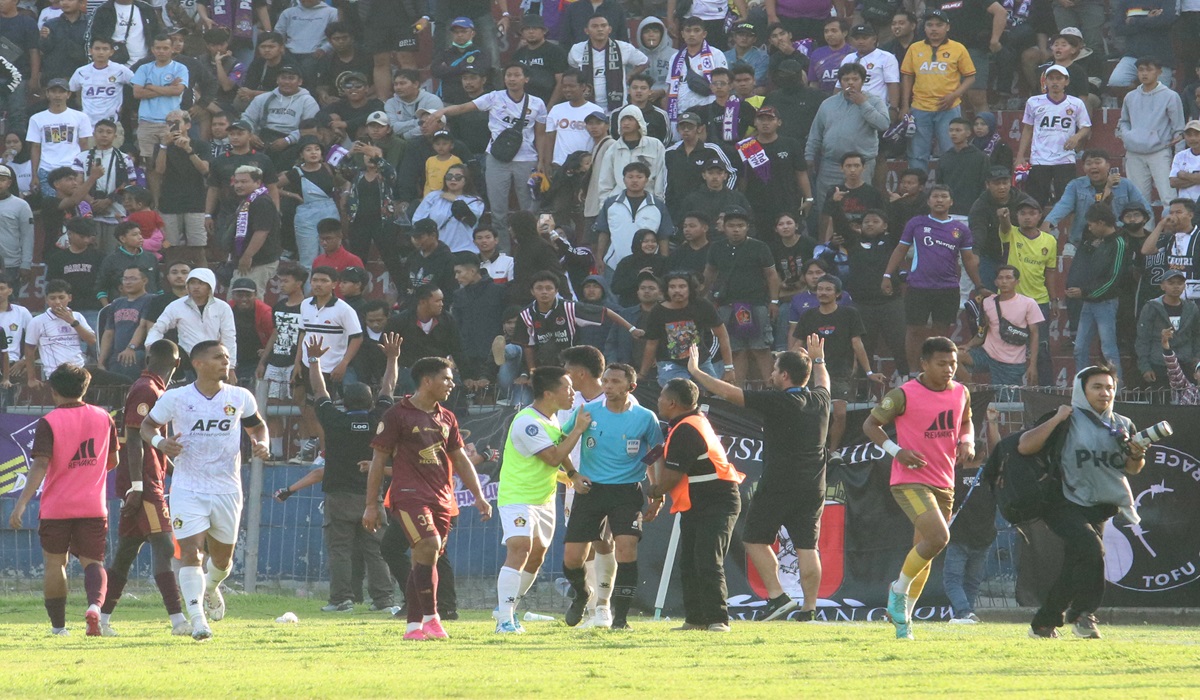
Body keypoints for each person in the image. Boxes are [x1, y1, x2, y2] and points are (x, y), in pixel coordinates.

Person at [688, 335, 829, 621]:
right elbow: (824, 381)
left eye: (775, 370)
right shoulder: (820, 400)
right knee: (807, 546)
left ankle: (777, 597)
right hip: (814, 485)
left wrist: (696, 372)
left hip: (779, 483)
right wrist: (819, 359)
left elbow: (729, 393)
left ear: (785, 375)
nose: (771, 374)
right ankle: (809, 608)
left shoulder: (776, 401)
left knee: (754, 539)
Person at [139, 340, 269, 641]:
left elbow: (257, 426)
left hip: (227, 489)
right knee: (190, 553)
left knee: (221, 561)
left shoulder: (240, 396)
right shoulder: (177, 397)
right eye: (218, 357)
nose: (226, 362)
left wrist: (262, 443)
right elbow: (147, 426)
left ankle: (211, 587)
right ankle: (197, 620)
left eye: (226, 357)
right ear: (198, 363)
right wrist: (161, 444)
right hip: (188, 487)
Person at [364, 356, 492, 640]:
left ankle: (413, 628)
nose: (452, 384)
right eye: (446, 379)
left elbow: (460, 460)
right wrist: (370, 505)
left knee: (426, 558)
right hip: (408, 495)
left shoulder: (447, 417)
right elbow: (377, 461)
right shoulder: (397, 415)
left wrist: (479, 496)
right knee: (429, 544)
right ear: (427, 381)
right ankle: (432, 618)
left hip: (442, 498)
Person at [1020, 365, 1145, 639]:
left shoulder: (1123, 424)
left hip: (1099, 505)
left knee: (1077, 561)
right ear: (1081, 390)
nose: (1105, 393)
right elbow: (1024, 446)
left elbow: (1132, 469)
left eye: (1110, 387)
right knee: (1091, 548)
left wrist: (1136, 454)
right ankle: (1083, 614)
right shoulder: (1066, 417)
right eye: (1097, 387)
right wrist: (1056, 419)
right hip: (1061, 500)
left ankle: (1043, 624)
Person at [864, 336, 974, 640]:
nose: (949, 369)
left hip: (945, 480)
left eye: (953, 363)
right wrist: (896, 451)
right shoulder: (903, 394)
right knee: (939, 537)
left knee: (926, 550)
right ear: (924, 364)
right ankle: (897, 592)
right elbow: (869, 425)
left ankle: (903, 622)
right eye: (942, 363)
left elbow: (965, 422)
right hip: (910, 478)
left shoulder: (962, 392)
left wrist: (968, 441)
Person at [8, 364, 118, 636]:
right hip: (93, 506)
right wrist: (88, 475)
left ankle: (59, 628)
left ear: (53, 391)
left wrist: (21, 504)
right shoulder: (104, 417)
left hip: (57, 507)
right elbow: (112, 461)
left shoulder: (50, 421)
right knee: (94, 562)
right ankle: (94, 607)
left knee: (56, 564)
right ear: (86, 388)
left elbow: (40, 464)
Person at [560, 363, 664, 629]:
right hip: (590, 489)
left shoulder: (645, 417)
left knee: (626, 549)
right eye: (605, 381)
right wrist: (573, 475)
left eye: (615, 382)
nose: (608, 387)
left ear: (631, 386)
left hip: (627, 491)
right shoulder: (586, 412)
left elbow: (655, 453)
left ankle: (620, 618)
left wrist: (657, 491)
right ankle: (583, 594)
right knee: (572, 558)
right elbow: (561, 445)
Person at [302, 333, 400, 613]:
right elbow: (388, 387)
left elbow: (320, 391)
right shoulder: (378, 419)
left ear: (343, 400)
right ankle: (384, 601)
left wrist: (314, 360)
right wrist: (392, 358)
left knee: (340, 550)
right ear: (371, 402)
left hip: (339, 494)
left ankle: (341, 600)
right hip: (372, 494)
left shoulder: (334, 420)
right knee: (376, 549)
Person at [97, 339, 188, 636]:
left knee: (126, 550)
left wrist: (177, 469)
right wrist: (137, 485)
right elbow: (134, 438)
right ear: (177, 363)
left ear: (148, 357)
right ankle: (178, 621)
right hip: (144, 483)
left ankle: (101, 617)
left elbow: (151, 444)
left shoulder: (155, 389)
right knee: (163, 544)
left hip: (149, 477)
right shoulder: (146, 389)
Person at [494, 366, 592, 633]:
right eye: (567, 388)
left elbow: (557, 453)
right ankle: (503, 619)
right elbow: (552, 457)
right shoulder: (528, 422)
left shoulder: (552, 419)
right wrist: (579, 430)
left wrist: (572, 475)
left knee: (536, 557)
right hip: (517, 497)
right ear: (549, 393)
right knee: (519, 548)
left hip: (544, 499)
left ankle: (508, 608)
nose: (573, 393)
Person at [648, 377, 743, 632]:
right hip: (698, 501)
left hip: (717, 500)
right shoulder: (685, 424)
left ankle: (717, 620)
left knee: (707, 559)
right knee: (689, 562)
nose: (658, 400)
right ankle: (696, 619)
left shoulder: (686, 429)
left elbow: (670, 479)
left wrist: (651, 492)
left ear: (672, 402)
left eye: (661, 397)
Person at [430, 64, 549, 246]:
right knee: (498, 212)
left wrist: (542, 160)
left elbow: (541, 134)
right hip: (496, 159)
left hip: (526, 160)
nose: (512, 79)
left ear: (526, 79)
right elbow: (464, 108)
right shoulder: (494, 97)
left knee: (529, 211)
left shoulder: (537, 103)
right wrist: (443, 111)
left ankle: (530, 248)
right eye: (508, 75)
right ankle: (502, 254)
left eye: (517, 75)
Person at [882, 185, 983, 376]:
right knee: (914, 330)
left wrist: (979, 285)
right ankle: (912, 373)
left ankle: (936, 373)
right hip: (918, 286)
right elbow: (901, 249)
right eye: (935, 196)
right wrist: (887, 275)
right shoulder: (916, 223)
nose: (939, 200)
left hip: (947, 288)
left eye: (944, 196)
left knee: (940, 333)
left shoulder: (960, 229)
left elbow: (968, 260)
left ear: (951, 202)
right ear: (928, 201)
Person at [793, 274, 881, 460]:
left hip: (841, 372)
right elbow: (797, 345)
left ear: (838, 293)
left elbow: (857, 344)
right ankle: (816, 450)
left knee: (840, 414)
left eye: (828, 289)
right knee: (813, 414)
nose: (823, 293)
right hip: (812, 371)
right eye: (820, 289)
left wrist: (869, 372)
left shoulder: (849, 314)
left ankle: (832, 451)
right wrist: (787, 366)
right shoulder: (808, 315)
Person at [704, 207, 782, 381]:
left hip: (756, 304)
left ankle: (772, 388)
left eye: (740, 225)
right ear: (724, 227)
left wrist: (774, 301)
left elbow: (771, 275)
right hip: (727, 305)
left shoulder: (759, 247)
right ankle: (738, 394)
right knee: (736, 350)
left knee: (760, 349)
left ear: (747, 227)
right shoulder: (716, 248)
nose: (736, 229)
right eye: (731, 225)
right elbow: (709, 274)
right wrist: (703, 298)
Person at [805, 65, 889, 223]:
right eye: (846, 79)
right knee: (827, 207)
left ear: (863, 82)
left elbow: (883, 124)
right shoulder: (828, 104)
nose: (850, 83)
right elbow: (815, 133)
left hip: (861, 165)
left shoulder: (874, 101)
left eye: (855, 79)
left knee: (861, 206)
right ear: (840, 82)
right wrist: (809, 157)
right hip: (831, 164)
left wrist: (863, 103)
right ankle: (826, 243)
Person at [942, 405, 1000, 624]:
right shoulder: (990, 477)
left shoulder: (952, 476)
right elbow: (999, 452)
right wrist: (992, 423)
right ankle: (967, 613)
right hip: (984, 538)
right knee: (972, 581)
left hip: (958, 537)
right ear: (983, 455)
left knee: (952, 580)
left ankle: (964, 612)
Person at [899, 11, 976, 174]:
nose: (934, 29)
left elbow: (970, 77)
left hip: (948, 108)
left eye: (939, 25)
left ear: (947, 27)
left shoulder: (958, 48)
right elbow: (907, 76)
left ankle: (951, 191)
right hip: (920, 108)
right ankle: (917, 192)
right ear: (924, 28)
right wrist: (905, 106)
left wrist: (954, 95)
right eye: (930, 25)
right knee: (917, 154)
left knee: (950, 151)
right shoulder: (915, 48)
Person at [517, 270, 640, 369]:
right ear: (532, 291)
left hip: (570, 366)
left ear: (556, 291)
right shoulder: (526, 315)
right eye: (539, 288)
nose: (544, 292)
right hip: (543, 367)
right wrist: (532, 372)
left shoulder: (570, 307)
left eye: (549, 288)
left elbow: (606, 312)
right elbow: (528, 347)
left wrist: (632, 328)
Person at [999, 201, 1060, 386]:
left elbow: (1050, 272)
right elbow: (1005, 226)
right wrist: (1004, 217)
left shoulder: (1049, 241)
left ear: (1040, 215)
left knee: (1041, 348)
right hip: (1011, 300)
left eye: (1032, 213)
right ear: (1017, 217)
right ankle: (1010, 391)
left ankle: (1046, 392)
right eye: (1023, 213)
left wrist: (1053, 299)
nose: (1027, 217)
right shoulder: (1011, 233)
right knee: (1010, 347)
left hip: (1038, 301)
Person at [844, 209, 909, 379]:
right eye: (866, 222)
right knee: (864, 348)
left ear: (885, 225)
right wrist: (835, 204)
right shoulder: (853, 242)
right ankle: (863, 393)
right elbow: (841, 226)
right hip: (862, 305)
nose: (870, 224)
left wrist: (896, 205)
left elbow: (900, 225)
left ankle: (907, 382)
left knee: (900, 344)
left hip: (891, 302)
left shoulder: (892, 241)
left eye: (875, 221)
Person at [959, 266, 1044, 396]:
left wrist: (1032, 365)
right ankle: (972, 392)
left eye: (1009, 278)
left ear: (1017, 282)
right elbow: (982, 333)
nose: (1004, 281)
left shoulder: (1028, 303)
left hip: (1012, 362)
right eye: (1000, 278)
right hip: (987, 354)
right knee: (953, 357)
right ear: (995, 282)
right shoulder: (987, 302)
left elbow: (1035, 334)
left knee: (1010, 408)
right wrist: (968, 346)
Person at [1069, 205, 1129, 385]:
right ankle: (1082, 388)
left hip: (1106, 303)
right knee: (1079, 349)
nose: (1090, 228)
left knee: (1108, 350)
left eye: (1091, 224)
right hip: (1089, 302)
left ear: (1101, 222)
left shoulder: (1119, 243)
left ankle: (1116, 391)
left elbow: (1113, 279)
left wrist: (1085, 292)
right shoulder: (1101, 242)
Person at [640, 270, 734, 385]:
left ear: (690, 288)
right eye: (672, 287)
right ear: (666, 290)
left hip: (701, 361)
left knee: (715, 392)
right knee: (680, 389)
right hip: (670, 363)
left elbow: (723, 335)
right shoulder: (658, 311)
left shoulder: (702, 305)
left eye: (682, 286)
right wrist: (642, 374)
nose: (677, 290)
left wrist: (729, 368)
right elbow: (651, 344)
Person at [1045, 150, 1151, 250]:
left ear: (1108, 165)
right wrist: (1049, 221)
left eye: (1098, 162)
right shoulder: (1075, 185)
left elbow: (1146, 210)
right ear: (1083, 167)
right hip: (1081, 241)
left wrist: (1128, 227)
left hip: (1118, 239)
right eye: (1089, 163)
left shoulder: (1125, 185)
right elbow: (1063, 205)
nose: (1093, 166)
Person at [1017, 65, 1091, 206]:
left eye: (1059, 78)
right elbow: (1027, 129)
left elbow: (1086, 127)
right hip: (1039, 158)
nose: (1055, 82)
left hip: (1065, 158)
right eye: (1051, 78)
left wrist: (1076, 137)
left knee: (1066, 202)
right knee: (1036, 202)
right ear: (1045, 81)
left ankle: (1063, 228)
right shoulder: (1034, 102)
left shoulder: (1076, 103)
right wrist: (1020, 155)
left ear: (1066, 82)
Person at [145, 267, 237, 378]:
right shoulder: (176, 305)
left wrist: (230, 367)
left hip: (214, 357)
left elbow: (229, 336)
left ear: (210, 286)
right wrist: (152, 345)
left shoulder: (223, 307)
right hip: (187, 359)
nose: (196, 287)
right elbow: (158, 327)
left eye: (201, 283)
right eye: (192, 283)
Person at [1116, 58, 1184, 206]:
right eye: (1141, 70)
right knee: (1139, 200)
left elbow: (1179, 129)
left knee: (1168, 197)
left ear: (1159, 72)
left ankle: (1174, 229)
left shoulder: (1170, 96)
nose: (1144, 73)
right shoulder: (1130, 96)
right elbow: (1124, 121)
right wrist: (1127, 136)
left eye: (1149, 69)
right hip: (1134, 152)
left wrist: (1178, 159)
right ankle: (1145, 230)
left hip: (1160, 152)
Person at [738, 106, 812, 239]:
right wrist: (743, 203)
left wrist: (809, 198)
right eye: (761, 119)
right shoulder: (746, 147)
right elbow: (743, 178)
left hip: (787, 204)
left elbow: (801, 173)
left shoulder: (790, 144)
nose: (765, 123)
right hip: (757, 206)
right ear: (755, 122)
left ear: (779, 122)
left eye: (770, 119)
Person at [594, 161, 673, 273]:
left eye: (639, 177)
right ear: (624, 179)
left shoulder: (658, 206)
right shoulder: (611, 203)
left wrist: (664, 262)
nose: (634, 180)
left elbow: (663, 236)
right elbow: (603, 232)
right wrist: (599, 257)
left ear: (646, 180)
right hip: (614, 264)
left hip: (649, 266)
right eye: (630, 177)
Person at [568, 15, 648, 116]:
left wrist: (630, 75)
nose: (600, 29)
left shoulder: (623, 47)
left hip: (618, 108)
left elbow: (644, 62)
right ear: (586, 30)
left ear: (609, 29)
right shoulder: (577, 49)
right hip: (586, 107)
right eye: (595, 26)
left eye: (603, 26)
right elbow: (574, 69)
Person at [23, 280, 96, 389]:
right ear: (47, 300)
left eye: (61, 297)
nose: (57, 302)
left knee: (120, 381)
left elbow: (92, 341)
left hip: (79, 372)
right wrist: (31, 378)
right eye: (53, 298)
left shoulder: (77, 316)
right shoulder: (38, 321)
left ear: (69, 298)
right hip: (56, 374)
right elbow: (29, 350)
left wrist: (72, 321)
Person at [27, 78, 93, 198]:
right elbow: (35, 147)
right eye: (53, 91)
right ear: (47, 94)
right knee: (52, 206)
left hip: (73, 168)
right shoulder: (36, 118)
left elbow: (84, 145)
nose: (57, 95)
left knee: (75, 203)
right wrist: (34, 175)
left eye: (61, 92)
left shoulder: (81, 117)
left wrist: (84, 171)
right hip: (47, 168)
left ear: (68, 94)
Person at [1137, 271, 1200, 396]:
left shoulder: (1191, 308)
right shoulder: (1151, 307)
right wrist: (1145, 367)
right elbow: (1142, 339)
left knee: (1186, 405)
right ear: (1162, 286)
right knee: (1160, 405)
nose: (1176, 286)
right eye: (1171, 283)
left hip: (1185, 363)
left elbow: (1196, 335)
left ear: (1184, 286)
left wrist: (1196, 357)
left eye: (1180, 283)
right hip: (1159, 364)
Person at [665, 17, 726, 132]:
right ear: (682, 34)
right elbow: (670, 88)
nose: (692, 34)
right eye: (688, 31)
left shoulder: (716, 54)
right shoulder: (675, 58)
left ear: (704, 34)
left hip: (708, 112)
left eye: (696, 30)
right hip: (681, 112)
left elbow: (724, 85)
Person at [413, 163, 486, 254]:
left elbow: (471, 219)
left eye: (458, 177)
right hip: (436, 251)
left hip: (464, 250)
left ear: (466, 180)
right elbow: (417, 220)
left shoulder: (475, 201)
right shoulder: (433, 197)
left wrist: (455, 200)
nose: (453, 179)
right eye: (449, 176)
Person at [230, 165, 281, 295]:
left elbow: (262, 232)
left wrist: (247, 256)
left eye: (244, 182)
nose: (238, 185)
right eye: (236, 182)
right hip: (247, 260)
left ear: (257, 183)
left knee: (250, 300)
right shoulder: (247, 200)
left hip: (258, 262)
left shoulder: (261, 201)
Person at [98, 267, 152, 381]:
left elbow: (143, 326)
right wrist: (101, 361)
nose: (128, 282)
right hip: (116, 355)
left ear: (144, 281)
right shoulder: (117, 303)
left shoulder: (151, 300)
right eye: (125, 279)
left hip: (138, 353)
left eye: (133, 279)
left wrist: (131, 348)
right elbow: (109, 333)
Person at [87, 0, 161, 69]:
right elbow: (94, 38)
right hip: (113, 66)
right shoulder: (103, 10)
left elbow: (156, 35)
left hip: (143, 65)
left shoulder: (146, 9)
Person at [512, 15, 568, 106]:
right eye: (526, 29)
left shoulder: (556, 51)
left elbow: (561, 82)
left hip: (547, 103)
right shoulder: (518, 54)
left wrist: (549, 109)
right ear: (521, 33)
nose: (531, 31)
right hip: (522, 106)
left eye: (535, 28)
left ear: (544, 31)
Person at [937, 118, 989, 217]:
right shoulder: (944, 158)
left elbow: (984, 186)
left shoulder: (980, 157)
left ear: (968, 133)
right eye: (951, 130)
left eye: (958, 130)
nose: (953, 133)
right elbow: (940, 184)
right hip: (949, 211)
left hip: (973, 211)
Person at [807, 18, 853, 93]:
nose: (829, 34)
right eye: (826, 31)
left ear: (844, 33)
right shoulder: (817, 54)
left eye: (834, 31)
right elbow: (813, 83)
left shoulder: (853, 53)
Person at [669, 211, 715, 277]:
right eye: (685, 226)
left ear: (705, 228)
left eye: (692, 226)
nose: (687, 229)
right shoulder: (677, 253)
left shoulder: (715, 251)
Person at [725, 22, 768, 88]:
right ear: (734, 37)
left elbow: (756, 81)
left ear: (755, 39)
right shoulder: (724, 56)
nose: (744, 38)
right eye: (741, 35)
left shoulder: (762, 57)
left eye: (749, 35)